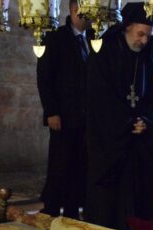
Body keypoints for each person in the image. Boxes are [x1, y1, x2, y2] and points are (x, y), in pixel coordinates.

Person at [83, 2, 153, 230]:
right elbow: (98, 98)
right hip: (109, 146)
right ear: (127, 27)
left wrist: (146, 121)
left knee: (137, 202)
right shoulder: (104, 52)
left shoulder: (147, 58)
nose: (144, 40)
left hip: (138, 146)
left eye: (148, 36)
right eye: (140, 34)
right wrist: (126, 124)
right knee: (109, 207)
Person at [36, 0, 92, 218]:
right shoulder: (55, 38)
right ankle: (50, 209)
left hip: (85, 117)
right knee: (60, 164)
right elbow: (45, 77)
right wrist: (51, 111)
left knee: (80, 165)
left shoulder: (92, 38)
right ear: (74, 10)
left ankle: (71, 210)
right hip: (62, 116)